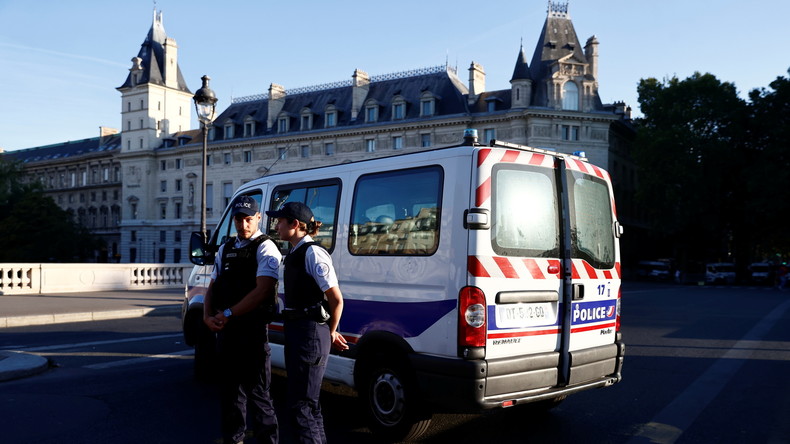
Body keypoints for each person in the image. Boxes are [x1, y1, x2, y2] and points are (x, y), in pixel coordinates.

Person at [266, 202, 349, 444]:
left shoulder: (313, 253)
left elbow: (336, 299)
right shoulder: (296, 252)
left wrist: (330, 332)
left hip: (309, 333)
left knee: (302, 406)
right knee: (308, 405)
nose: (276, 226)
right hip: (300, 331)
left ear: (295, 224)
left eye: (280, 221)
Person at [204, 195, 280, 444]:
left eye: (248, 219)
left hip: (252, 333)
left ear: (258, 218)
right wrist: (206, 316)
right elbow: (212, 286)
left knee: (259, 396)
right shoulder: (225, 248)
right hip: (227, 333)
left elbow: (262, 291)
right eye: (238, 219)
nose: (243, 225)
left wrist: (227, 313)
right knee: (230, 395)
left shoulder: (266, 247)